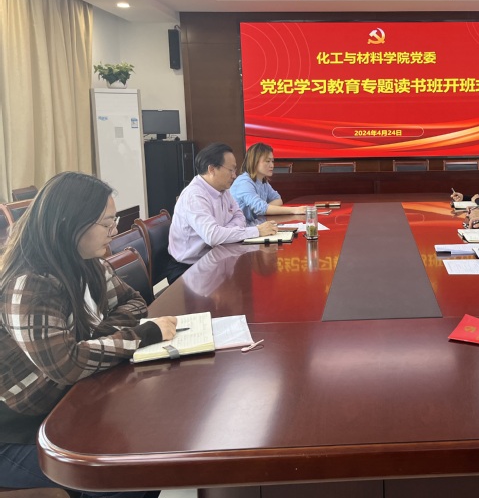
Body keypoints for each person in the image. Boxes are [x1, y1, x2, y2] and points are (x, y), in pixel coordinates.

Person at [0, 172, 176, 497]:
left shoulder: (87, 263)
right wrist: (144, 334)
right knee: (124, 472)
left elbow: (135, 301)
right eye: (107, 223)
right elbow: (67, 364)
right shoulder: (30, 283)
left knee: (151, 449)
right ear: (70, 223)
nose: (115, 231)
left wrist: (93, 336)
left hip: (65, 404)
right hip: (17, 431)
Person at [167, 142, 277, 283]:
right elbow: (213, 236)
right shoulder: (195, 195)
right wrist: (257, 231)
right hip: (189, 269)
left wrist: (223, 231)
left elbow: (240, 216)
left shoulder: (223, 190)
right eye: (231, 170)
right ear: (212, 169)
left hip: (214, 259)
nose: (234, 175)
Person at [231, 143, 309, 222]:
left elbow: (278, 199)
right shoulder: (244, 182)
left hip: (254, 225)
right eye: (267, 161)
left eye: (272, 161)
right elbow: (260, 208)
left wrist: (265, 208)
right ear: (254, 162)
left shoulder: (263, 181)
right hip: (240, 227)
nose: (272, 165)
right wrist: (294, 210)